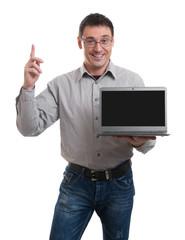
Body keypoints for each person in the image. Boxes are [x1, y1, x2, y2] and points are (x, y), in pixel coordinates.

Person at [16, 13, 156, 240]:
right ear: (80, 42)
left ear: (113, 41)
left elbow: (148, 144)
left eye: (104, 40)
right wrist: (28, 88)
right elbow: (29, 128)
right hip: (75, 185)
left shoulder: (132, 82)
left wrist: (140, 140)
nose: (98, 47)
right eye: (90, 40)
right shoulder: (61, 85)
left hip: (119, 184)